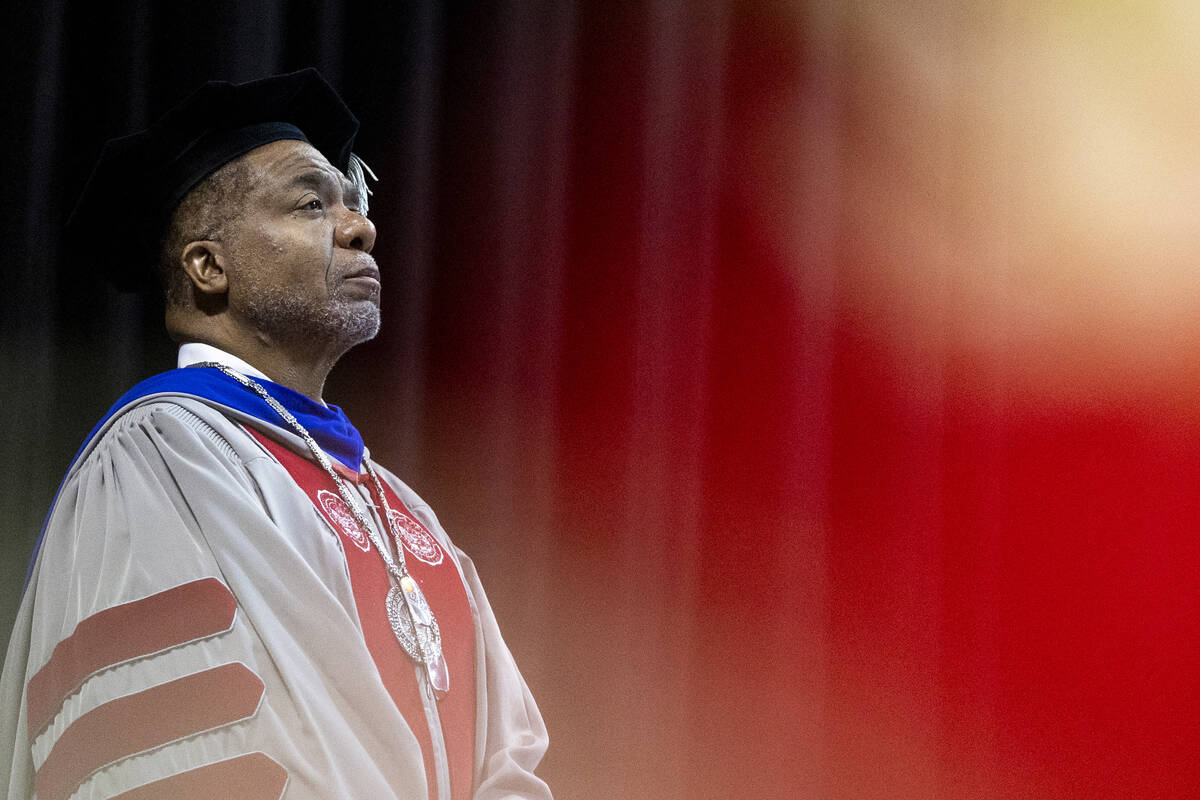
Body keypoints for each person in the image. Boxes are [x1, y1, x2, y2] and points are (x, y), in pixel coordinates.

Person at [0, 69, 551, 800]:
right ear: (208, 265)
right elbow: (172, 760)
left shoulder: (405, 512)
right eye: (310, 204)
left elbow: (509, 759)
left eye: (352, 204)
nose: (361, 226)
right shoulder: (158, 456)